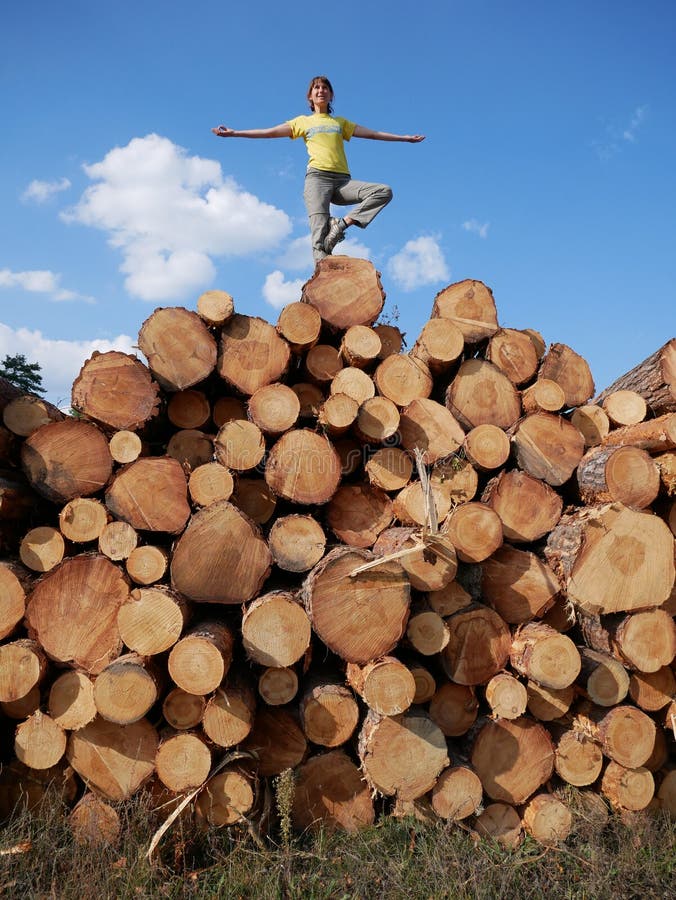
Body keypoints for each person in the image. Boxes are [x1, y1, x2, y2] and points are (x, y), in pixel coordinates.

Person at [212, 75, 425, 262]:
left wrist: (404, 139)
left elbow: (373, 134)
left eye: (325, 88)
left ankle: (341, 225)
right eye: (316, 88)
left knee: (383, 191)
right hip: (317, 179)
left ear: (331, 96)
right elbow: (269, 132)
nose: (321, 91)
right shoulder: (302, 122)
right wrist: (235, 133)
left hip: (343, 181)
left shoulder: (340, 123)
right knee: (319, 236)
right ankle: (323, 280)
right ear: (310, 97)